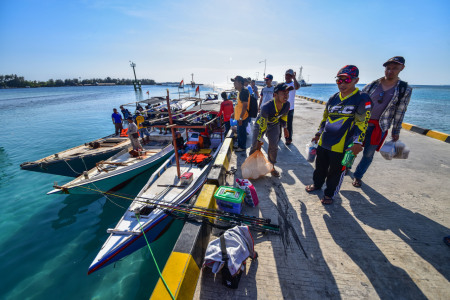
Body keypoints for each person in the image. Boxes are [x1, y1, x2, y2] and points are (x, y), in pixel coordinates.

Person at [305, 65, 372, 205]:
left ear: (356, 80)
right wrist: (318, 134)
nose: (342, 84)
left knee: (336, 173)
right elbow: (325, 118)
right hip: (324, 142)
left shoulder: (362, 98)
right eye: (339, 80)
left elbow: (362, 123)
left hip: (342, 145)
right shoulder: (333, 98)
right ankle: (317, 185)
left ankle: (329, 194)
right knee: (319, 168)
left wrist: (358, 143)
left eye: (346, 80)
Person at [352, 56, 413, 187]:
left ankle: (358, 176)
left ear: (402, 68)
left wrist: (396, 131)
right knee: (351, 148)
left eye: (394, 68)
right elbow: (358, 101)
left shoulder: (404, 89)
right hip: (361, 124)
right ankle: (345, 167)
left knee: (368, 154)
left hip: (379, 127)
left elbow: (400, 112)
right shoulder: (373, 84)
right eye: (388, 68)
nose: (390, 71)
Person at [249, 83, 292, 177]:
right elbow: (263, 125)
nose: (286, 95)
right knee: (255, 145)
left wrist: (285, 128)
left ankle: (271, 166)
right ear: (275, 95)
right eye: (283, 93)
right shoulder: (266, 107)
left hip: (274, 124)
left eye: (287, 93)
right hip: (261, 124)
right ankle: (251, 166)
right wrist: (259, 139)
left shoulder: (287, 104)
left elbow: (284, 116)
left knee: (274, 147)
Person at [230, 76, 250, 152]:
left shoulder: (244, 92)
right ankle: (239, 145)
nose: (234, 84)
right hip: (239, 117)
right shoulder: (240, 92)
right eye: (234, 82)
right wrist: (234, 113)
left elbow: (245, 106)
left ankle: (242, 147)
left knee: (242, 132)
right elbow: (239, 105)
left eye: (235, 82)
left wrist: (241, 118)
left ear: (240, 83)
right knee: (239, 131)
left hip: (243, 117)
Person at [284, 69, 300, 145]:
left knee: (289, 125)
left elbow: (297, 87)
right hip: (282, 108)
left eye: (289, 75)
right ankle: (279, 137)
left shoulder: (293, 84)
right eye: (286, 75)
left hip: (290, 108)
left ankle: (288, 139)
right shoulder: (283, 84)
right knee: (281, 123)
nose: (287, 77)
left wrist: (294, 78)